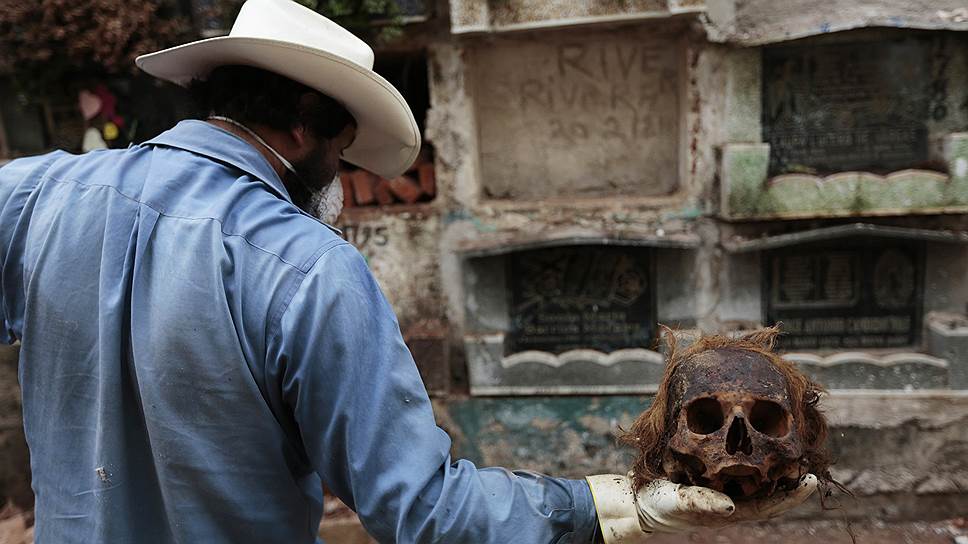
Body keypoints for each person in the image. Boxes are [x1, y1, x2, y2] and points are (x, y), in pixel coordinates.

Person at [0, 0, 817, 542]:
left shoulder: (33, 194)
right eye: (341, 148)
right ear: (306, 127)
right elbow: (422, 511)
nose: (340, 175)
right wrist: (613, 506)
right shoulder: (304, 268)